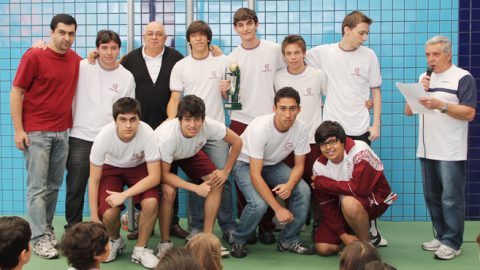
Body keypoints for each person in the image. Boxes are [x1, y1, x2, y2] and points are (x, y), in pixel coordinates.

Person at [306, 10, 386, 247]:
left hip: (359, 128)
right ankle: (328, 227)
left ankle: (369, 227)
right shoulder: (324, 53)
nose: (364, 37)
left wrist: (376, 123)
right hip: (332, 128)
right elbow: (295, 61)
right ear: (347, 30)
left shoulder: (369, 55)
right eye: (361, 33)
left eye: (366, 33)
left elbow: (376, 90)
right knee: (327, 180)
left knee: (362, 185)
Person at [10, 13, 81, 259]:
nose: (67, 38)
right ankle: (38, 237)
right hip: (37, 133)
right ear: (52, 32)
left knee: (53, 186)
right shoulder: (34, 56)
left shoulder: (75, 59)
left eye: (71, 33)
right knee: (37, 188)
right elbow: (16, 91)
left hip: (63, 132)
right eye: (62, 32)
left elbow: (96, 66)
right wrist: (19, 130)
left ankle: (46, 229)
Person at [405, 36, 477, 260]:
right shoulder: (424, 77)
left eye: (435, 54)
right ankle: (441, 234)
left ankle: (453, 242)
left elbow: (469, 113)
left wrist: (441, 105)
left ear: (448, 55)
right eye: (428, 55)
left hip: (450, 150)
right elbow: (409, 110)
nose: (431, 59)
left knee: (451, 198)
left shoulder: (463, 77)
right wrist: (420, 91)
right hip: (426, 149)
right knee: (432, 196)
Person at [166, 20, 237, 244]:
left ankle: (227, 226)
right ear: (189, 40)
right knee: (198, 181)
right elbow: (175, 99)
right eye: (193, 36)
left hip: (215, 130)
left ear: (208, 39)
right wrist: (173, 124)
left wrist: (228, 92)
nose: (198, 39)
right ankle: (196, 227)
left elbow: (232, 99)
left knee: (221, 180)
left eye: (202, 35)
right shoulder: (181, 66)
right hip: (189, 132)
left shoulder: (224, 61)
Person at [121, 21, 189, 239]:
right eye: (150, 33)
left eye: (159, 33)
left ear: (165, 36)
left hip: (169, 126)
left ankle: (172, 223)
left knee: (170, 175)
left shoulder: (176, 58)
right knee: (143, 175)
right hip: (140, 129)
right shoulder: (130, 59)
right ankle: (144, 223)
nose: (154, 37)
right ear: (144, 35)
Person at [154, 95, 242, 259]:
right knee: (168, 192)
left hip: (188, 153)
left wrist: (225, 172)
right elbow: (164, 175)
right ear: (179, 119)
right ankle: (165, 243)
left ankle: (206, 240)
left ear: (203, 119)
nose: (193, 125)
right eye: (187, 119)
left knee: (216, 182)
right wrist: (195, 188)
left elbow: (237, 141)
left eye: (197, 119)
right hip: (162, 158)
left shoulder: (209, 125)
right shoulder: (167, 136)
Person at [226, 6, 285, 246]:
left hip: (268, 121)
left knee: (267, 172)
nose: (245, 28)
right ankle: (248, 225)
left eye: (249, 23)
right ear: (235, 29)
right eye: (240, 25)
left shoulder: (273, 50)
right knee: (243, 178)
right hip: (241, 121)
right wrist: (224, 92)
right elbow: (230, 94)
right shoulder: (232, 58)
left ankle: (267, 226)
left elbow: (290, 73)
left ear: (257, 24)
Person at [230, 87, 313, 258]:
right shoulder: (261, 127)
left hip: (272, 164)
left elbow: (299, 165)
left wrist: (290, 185)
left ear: (299, 109)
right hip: (244, 163)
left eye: (292, 108)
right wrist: (278, 209)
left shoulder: (302, 129)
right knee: (259, 204)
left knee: (303, 190)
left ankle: (288, 240)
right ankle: (239, 238)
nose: (288, 114)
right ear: (274, 108)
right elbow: (255, 174)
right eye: (283, 108)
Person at [65, 29, 135, 228]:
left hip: (110, 139)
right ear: (97, 49)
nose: (109, 52)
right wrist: (41, 46)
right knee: (76, 186)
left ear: (119, 50)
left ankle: (103, 228)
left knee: (105, 187)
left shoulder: (126, 77)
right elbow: (59, 57)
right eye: (104, 47)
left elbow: (128, 109)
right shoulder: (83, 66)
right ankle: (73, 228)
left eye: (114, 48)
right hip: (81, 136)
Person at [88, 97, 160, 268]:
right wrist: (93, 215)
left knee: (151, 202)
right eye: (123, 120)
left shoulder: (148, 133)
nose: (128, 125)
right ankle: (115, 241)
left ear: (139, 120)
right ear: (115, 121)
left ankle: (140, 249)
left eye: (133, 119)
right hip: (111, 169)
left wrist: (125, 195)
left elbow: (155, 176)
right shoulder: (103, 137)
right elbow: (94, 179)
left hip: (138, 168)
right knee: (109, 212)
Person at [312, 121, 395, 256]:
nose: (328, 147)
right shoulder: (319, 166)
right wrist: (343, 235)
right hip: (342, 203)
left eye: (332, 142)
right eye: (323, 144)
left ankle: (366, 247)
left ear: (342, 141)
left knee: (349, 203)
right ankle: (353, 237)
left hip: (376, 199)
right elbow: (327, 205)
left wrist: (322, 183)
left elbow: (359, 189)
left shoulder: (360, 150)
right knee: (323, 248)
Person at [274, 34, 327, 230]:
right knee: (289, 183)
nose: (293, 57)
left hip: (313, 140)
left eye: (297, 52)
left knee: (316, 185)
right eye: (288, 53)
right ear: (284, 56)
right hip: (286, 141)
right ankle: (291, 224)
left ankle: (319, 226)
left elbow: (333, 97)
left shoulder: (317, 75)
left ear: (304, 53)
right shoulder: (278, 76)